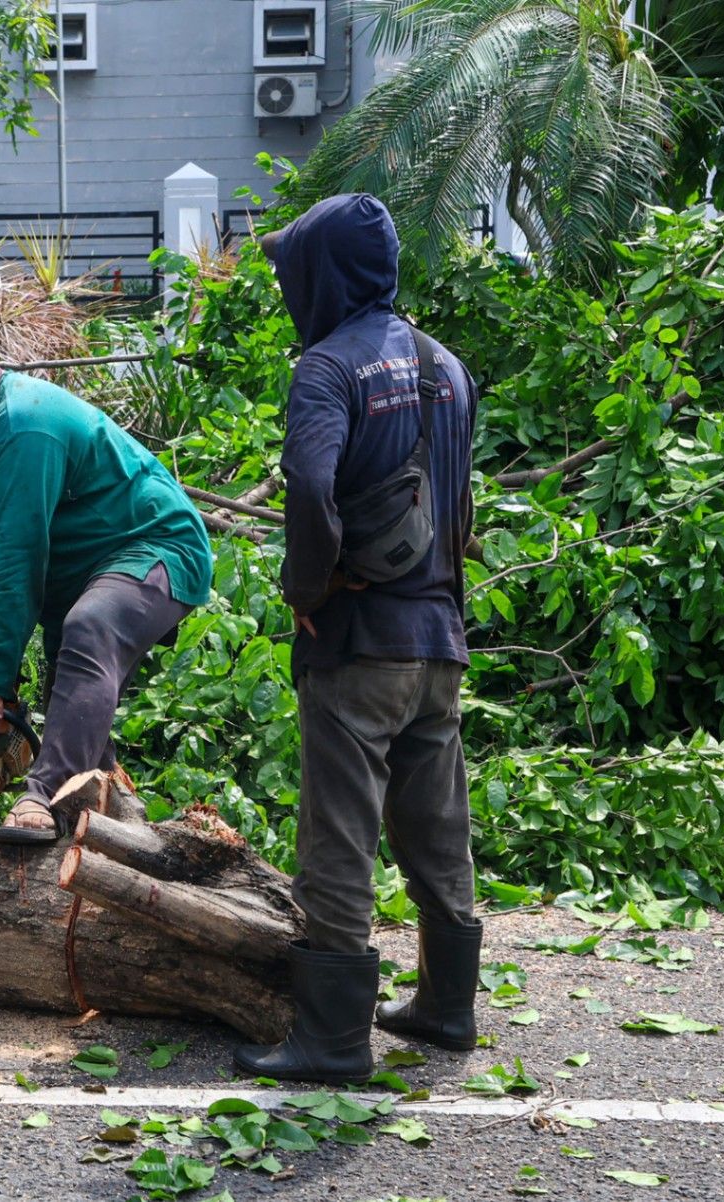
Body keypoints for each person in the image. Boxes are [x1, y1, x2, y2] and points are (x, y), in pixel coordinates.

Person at [233, 195, 480, 1083]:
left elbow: (307, 479)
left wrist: (308, 588)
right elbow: (457, 497)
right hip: (438, 639)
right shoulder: (446, 364)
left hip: (360, 641)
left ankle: (334, 1039)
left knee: (338, 835)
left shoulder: (327, 368)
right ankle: (448, 1008)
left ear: (321, 272)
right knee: (435, 823)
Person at [0, 318, 212, 842]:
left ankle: (42, 795)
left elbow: (22, 550)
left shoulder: (23, 424)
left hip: (155, 547)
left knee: (89, 631)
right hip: (85, 570)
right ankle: (107, 826)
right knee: (73, 701)